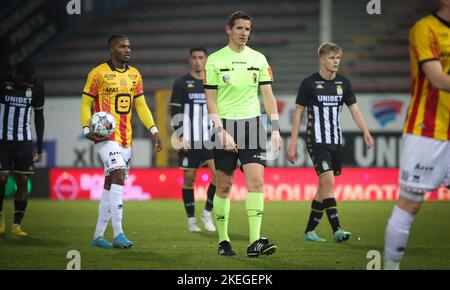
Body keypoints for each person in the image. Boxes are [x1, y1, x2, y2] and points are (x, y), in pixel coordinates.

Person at [204, 11, 282, 257]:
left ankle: (254, 242)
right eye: (239, 29)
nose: (244, 33)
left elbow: (268, 96)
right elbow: (211, 101)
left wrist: (276, 129)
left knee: (257, 183)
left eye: (247, 29)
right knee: (224, 186)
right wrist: (221, 132)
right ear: (228, 29)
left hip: (252, 126)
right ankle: (223, 241)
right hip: (225, 126)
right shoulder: (215, 60)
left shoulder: (259, 59)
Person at [384, 1, 450, 270]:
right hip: (428, 130)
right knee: (410, 204)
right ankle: (390, 266)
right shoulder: (425, 28)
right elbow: (437, 78)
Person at [80, 34, 163, 249]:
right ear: (111, 49)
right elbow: (85, 103)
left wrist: (154, 130)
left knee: (109, 185)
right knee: (117, 175)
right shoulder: (98, 74)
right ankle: (119, 234)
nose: (128, 49)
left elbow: (142, 106)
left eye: (129, 46)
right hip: (105, 138)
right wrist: (86, 128)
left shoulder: (135, 75)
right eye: (122, 46)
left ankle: (98, 236)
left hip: (126, 139)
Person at [287, 42, 374, 243]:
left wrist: (366, 131)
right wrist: (292, 143)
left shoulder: (343, 83)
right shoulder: (308, 83)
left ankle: (309, 231)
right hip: (316, 141)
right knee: (329, 183)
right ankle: (337, 230)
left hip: (335, 141)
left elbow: (355, 110)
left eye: (338, 58)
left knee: (322, 188)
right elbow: (298, 115)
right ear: (322, 59)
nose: (336, 62)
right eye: (332, 58)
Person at [170, 47, 217, 232]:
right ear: (190, 60)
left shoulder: (212, 82)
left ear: (206, 60)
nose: (198, 61)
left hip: (210, 139)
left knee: (219, 177)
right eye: (194, 58)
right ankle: (191, 220)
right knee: (189, 180)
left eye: (201, 58)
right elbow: (175, 111)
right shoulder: (181, 83)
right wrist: (180, 136)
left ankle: (207, 214)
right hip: (189, 139)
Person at [0, 61, 45, 236]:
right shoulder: (3, 82)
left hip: (23, 142)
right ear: (14, 72)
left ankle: (16, 225)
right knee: (2, 178)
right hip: (2, 140)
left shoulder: (37, 87)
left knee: (22, 181)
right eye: (21, 77)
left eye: (27, 79)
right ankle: (1, 216)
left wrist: (39, 147)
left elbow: (39, 117)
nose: (23, 81)